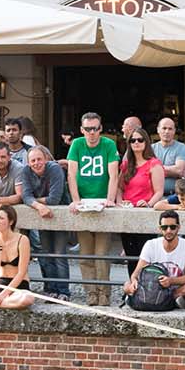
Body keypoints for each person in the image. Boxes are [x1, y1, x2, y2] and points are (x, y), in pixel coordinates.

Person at [65, 112, 121, 306]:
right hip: (84, 205)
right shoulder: (77, 145)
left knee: (102, 253)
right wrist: (76, 200)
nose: (92, 133)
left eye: (95, 128)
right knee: (86, 254)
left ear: (100, 128)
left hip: (102, 206)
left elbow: (114, 175)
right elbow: (71, 174)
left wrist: (110, 199)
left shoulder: (108, 145)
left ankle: (104, 293)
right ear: (82, 130)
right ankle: (90, 292)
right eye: (88, 129)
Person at [15, 145, 72, 300]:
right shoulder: (26, 171)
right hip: (41, 216)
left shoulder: (54, 169)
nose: (36, 163)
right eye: (32, 160)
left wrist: (34, 201)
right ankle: (50, 288)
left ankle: (63, 291)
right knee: (46, 254)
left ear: (45, 159)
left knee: (59, 254)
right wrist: (39, 206)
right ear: (28, 162)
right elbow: (25, 196)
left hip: (59, 215)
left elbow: (54, 199)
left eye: (39, 159)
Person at [123, 209, 185, 307]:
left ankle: (161, 300)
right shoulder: (151, 244)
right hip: (152, 289)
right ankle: (167, 302)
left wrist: (170, 281)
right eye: (164, 227)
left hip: (175, 290)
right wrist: (134, 281)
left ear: (178, 228)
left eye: (172, 227)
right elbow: (136, 273)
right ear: (160, 228)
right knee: (126, 285)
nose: (168, 231)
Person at [116, 133, 166, 257]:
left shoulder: (154, 164)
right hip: (126, 214)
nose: (136, 142)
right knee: (130, 255)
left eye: (140, 139)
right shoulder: (126, 164)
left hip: (145, 214)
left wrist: (148, 204)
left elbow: (159, 191)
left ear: (146, 142)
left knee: (145, 256)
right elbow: (119, 187)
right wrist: (119, 202)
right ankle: (131, 277)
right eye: (132, 140)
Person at [152, 117, 185, 186]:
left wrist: (156, 170)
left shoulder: (181, 147)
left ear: (174, 131)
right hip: (154, 194)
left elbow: (179, 170)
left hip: (174, 194)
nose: (167, 131)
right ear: (158, 130)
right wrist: (171, 170)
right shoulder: (151, 148)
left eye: (170, 129)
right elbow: (146, 170)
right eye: (164, 128)